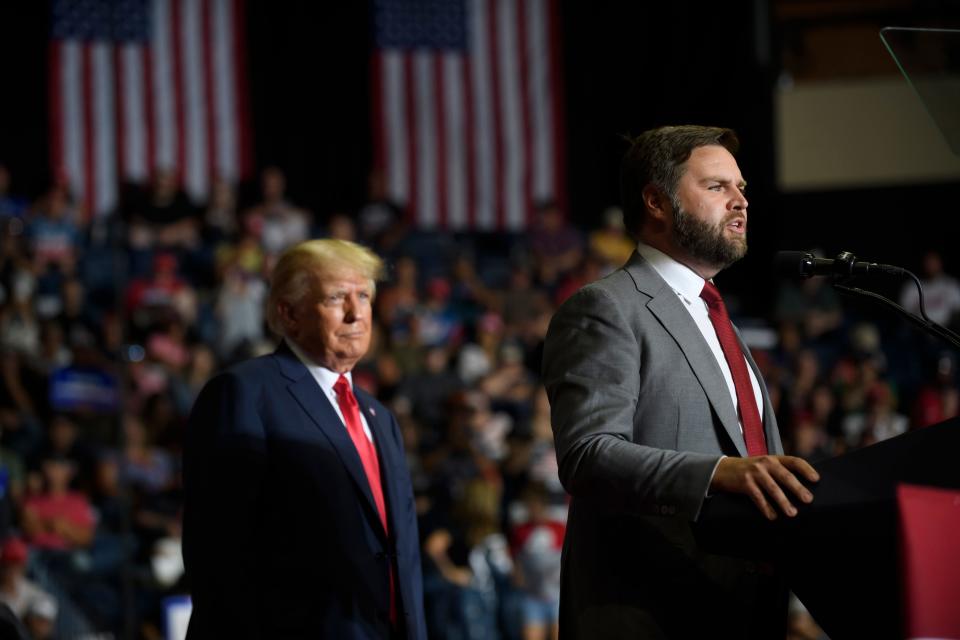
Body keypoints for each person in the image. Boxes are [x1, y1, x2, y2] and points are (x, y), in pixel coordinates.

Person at [541, 125, 820, 639]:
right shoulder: (607, 308)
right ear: (657, 201)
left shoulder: (720, 321)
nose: (740, 202)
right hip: (653, 611)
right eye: (717, 187)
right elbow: (587, 454)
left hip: (744, 609)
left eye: (741, 189)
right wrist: (719, 473)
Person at [183, 238, 426, 639]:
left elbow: (403, 559)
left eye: (363, 296)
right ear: (289, 313)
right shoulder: (243, 393)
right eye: (336, 298)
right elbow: (218, 554)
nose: (355, 314)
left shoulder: (380, 419)